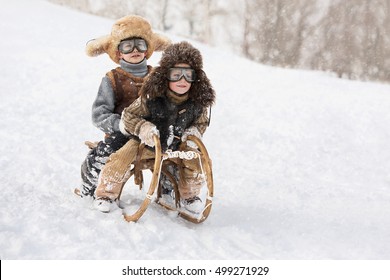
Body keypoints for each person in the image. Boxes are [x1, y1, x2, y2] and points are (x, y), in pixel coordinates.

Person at [93, 41, 216, 213]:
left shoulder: (198, 101)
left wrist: (193, 132)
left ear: (195, 78)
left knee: (197, 159)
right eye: (176, 75)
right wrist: (143, 128)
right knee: (122, 157)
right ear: (166, 76)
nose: (182, 80)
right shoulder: (152, 95)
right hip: (148, 142)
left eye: (188, 75)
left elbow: (201, 122)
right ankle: (106, 193)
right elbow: (129, 115)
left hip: (178, 142)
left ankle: (189, 195)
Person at [78, 15, 170, 199]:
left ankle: (172, 190)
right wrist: (121, 125)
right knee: (104, 154)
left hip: (154, 133)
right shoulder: (112, 79)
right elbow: (99, 114)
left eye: (140, 45)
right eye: (127, 46)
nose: (134, 50)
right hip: (122, 133)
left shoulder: (158, 77)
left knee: (175, 151)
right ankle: (92, 187)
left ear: (147, 49)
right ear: (118, 52)